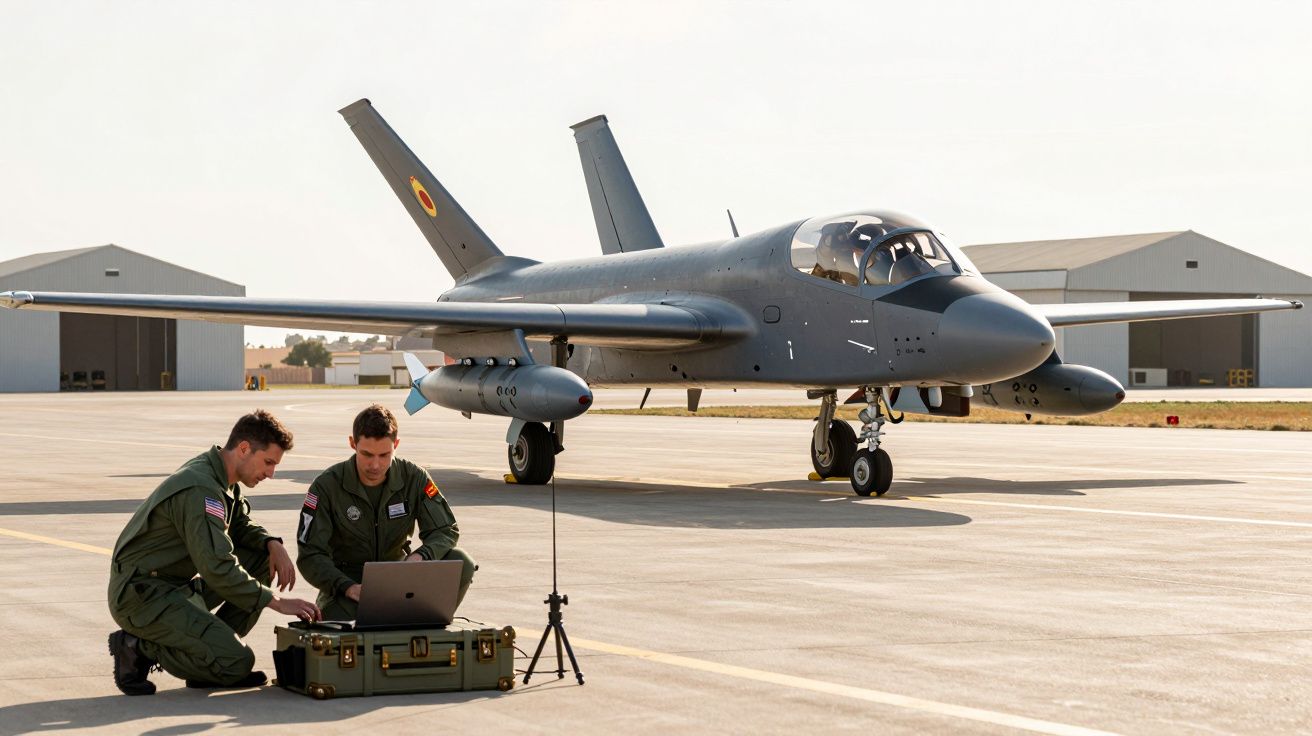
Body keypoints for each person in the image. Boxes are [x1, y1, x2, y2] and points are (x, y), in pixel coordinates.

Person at [106, 410, 321, 696]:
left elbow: (240, 524)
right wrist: (277, 603)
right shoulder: (201, 488)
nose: (271, 473)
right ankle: (137, 646)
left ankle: (212, 651)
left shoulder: (219, 473)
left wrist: (272, 543)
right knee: (238, 662)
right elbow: (218, 567)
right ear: (244, 448)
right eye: (268, 462)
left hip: (170, 587)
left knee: (259, 557)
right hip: (141, 596)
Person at [296, 404, 476, 621]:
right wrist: (348, 587)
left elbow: (445, 530)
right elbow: (310, 555)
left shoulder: (414, 477)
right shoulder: (327, 487)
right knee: (340, 626)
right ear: (352, 444)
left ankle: (423, 627)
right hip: (350, 585)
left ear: (396, 445)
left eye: (384, 455)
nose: (375, 464)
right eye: (367, 454)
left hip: (401, 578)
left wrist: (420, 557)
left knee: (460, 561)